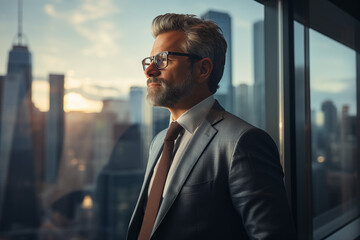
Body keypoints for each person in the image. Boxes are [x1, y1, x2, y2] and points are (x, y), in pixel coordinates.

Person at [127, 13, 296, 240]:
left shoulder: (244, 142)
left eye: (162, 59)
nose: (149, 71)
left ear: (202, 70)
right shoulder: (159, 141)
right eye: (149, 61)